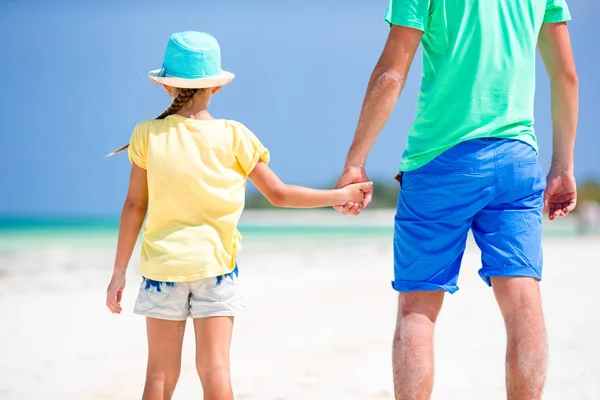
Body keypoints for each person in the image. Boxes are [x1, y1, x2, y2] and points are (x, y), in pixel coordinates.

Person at [105, 31, 372, 400]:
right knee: (215, 369)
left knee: (160, 374)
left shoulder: (147, 135)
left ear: (167, 87)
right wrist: (338, 196)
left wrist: (119, 271)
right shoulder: (235, 135)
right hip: (216, 269)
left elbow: (134, 205)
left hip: (161, 270)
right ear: (215, 87)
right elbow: (278, 194)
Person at [334, 1, 578, 399]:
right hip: (516, 159)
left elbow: (391, 73)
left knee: (418, 309)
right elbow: (565, 75)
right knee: (523, 306)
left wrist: (355, 163)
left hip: (440, 160)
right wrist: (563, 164)